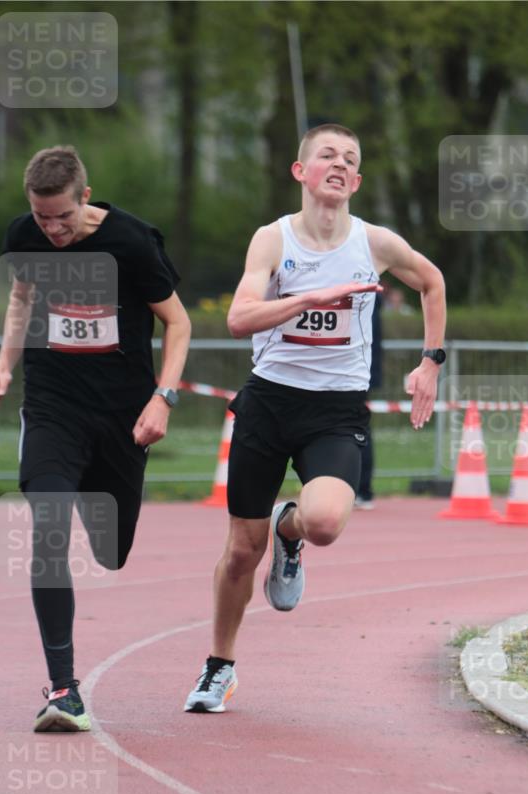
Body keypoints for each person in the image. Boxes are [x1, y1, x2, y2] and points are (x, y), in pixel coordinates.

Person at [184, 123, 446, 713]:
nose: (338, 163)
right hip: (269, 402)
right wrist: (306, 299)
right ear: (300, 172)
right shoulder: (273, 241)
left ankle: (290, 531)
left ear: (356, 181)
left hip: (334, 411)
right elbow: (238, 318)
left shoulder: (375, 243)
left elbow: (431, 281)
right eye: (326, 154)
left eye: (349, 159)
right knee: (241, 552)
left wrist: (431, 361)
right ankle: (219, 666)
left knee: (324, 522)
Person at [0, 146, 191, 731]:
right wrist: (4, 367)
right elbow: (22, 298)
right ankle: (63, 689)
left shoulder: (130, 242)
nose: (51, 229)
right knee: (48, 525)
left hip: (123, 415)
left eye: (62, 218)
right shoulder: (23, 237)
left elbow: (178, 322)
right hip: (53, 406)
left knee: (111, 551)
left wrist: (163, 397)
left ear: (86, 196)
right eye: (41, 216)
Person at [354, 290, 383, 510]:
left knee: (358, 428)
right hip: (357, 371)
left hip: (357, 372)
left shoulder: (365, 293)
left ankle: (362, 489)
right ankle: (359, 489)